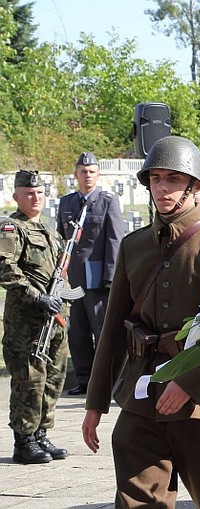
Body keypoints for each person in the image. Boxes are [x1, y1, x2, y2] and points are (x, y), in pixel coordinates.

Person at [81, 136, 200, 508]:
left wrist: (190, 382)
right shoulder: (133, 245)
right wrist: (96, 402)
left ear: (195, 186)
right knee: (136, 499)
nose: (162, 187)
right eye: (155, 178)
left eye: (173, 178)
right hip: (143, 394)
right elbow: (113, 329)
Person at [0, 170, 70, 464]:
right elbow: (5, 269)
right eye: (28, 193)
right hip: (27, 322)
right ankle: (24, 440)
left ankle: (42, 433)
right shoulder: (10, 229)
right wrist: (37, 296)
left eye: (40, 193)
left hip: (55, 320)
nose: (35, 198)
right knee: (29, 379)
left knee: (54, 377)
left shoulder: (50, 232)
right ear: (16, 196)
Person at [56, 152, 125, 396]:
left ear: (98, 175)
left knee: (102, 330)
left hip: (97, 278)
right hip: (72, 277)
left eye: (92, 172)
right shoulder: (66, 203)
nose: (87, 176)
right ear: (76, 174)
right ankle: (84, 378)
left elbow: (115, 240)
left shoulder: (107, 201)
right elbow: (59, 240)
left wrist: (110, 277)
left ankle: (107, 380)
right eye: (83, 172)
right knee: (77, 332)